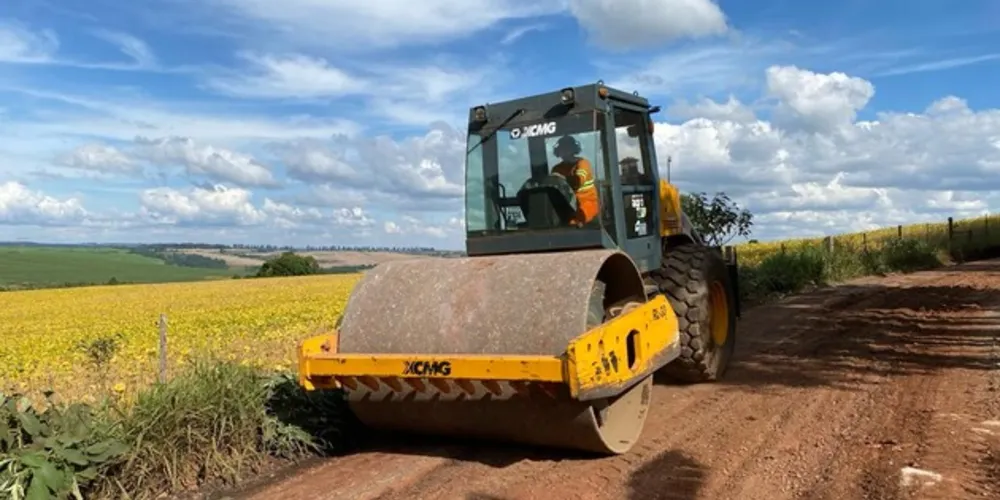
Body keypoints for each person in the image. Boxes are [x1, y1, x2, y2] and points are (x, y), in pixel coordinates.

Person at [550, 135, 599, 227]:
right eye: (562, 149)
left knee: (573, 223)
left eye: (567, 148)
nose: (564, 152)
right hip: (567, 205)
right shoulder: (556, 169)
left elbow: (577, 181)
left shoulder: (583, 163)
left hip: (586, 205)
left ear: (573, 149)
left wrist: (560, 178)